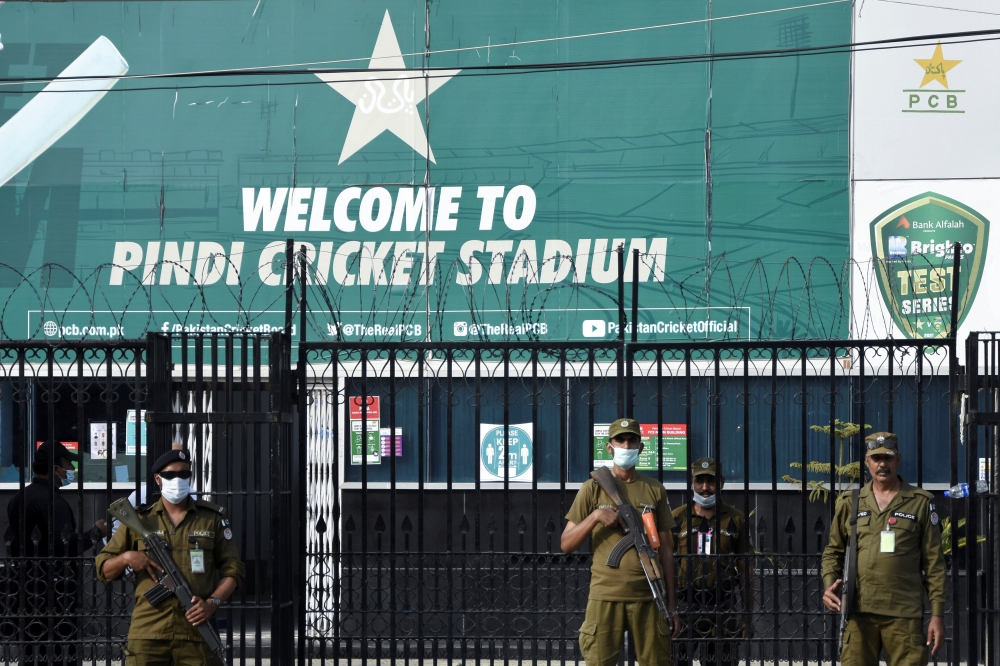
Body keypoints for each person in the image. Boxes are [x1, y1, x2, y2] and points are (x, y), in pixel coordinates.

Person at [96, 449, 244, 665]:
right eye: (170, 475)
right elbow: (103, 569)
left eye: (184, 474)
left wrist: (212, 603)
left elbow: (234, 569)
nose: (178, 480)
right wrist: (126, 558)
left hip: (196, 628)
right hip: (149, 629)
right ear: (158, 479)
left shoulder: (211, 518)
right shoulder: (140, 520)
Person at [562, 418, 681, 666]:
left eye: (632, 440)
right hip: (605, 595)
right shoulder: (592, 488)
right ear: (609, 447)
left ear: (641, 447)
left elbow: (667, 551)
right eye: (620, 440)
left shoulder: (654, 489)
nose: (626, 445)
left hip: (649, 596)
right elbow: (566, 544)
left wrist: (671, 605)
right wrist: (595, 516)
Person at [821, 432, 946, 665]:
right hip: (859, 613)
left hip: (903, 614)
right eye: (876, 458)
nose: (882, 464)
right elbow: (833, 551)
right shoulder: (851, 502)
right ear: (867, 462)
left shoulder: (920, 502)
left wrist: (937, 614)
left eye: (887, 458)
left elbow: (934, 564)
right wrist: (829, 585)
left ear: (897, 459)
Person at [4, 440, 98, 666]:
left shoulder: (20, 497)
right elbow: (65, 546)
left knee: (32, 650)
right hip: (55, 591)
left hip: (27, 587)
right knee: (61, 652)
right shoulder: (53, 501)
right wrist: (96, 533)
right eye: (68, 464)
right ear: (56, 469)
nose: (72, 469)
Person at [671, 457, 751, 666]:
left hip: (722, 605)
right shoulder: (678, 517)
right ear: (692, 483)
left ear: (721, 482)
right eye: (700, 481)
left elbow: (745, 568)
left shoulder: (736, 518)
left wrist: (746, 614)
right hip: (685, 605)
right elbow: (666, 564)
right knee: (676, 660)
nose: (705, 487)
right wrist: (668, 609)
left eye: (711, 481)